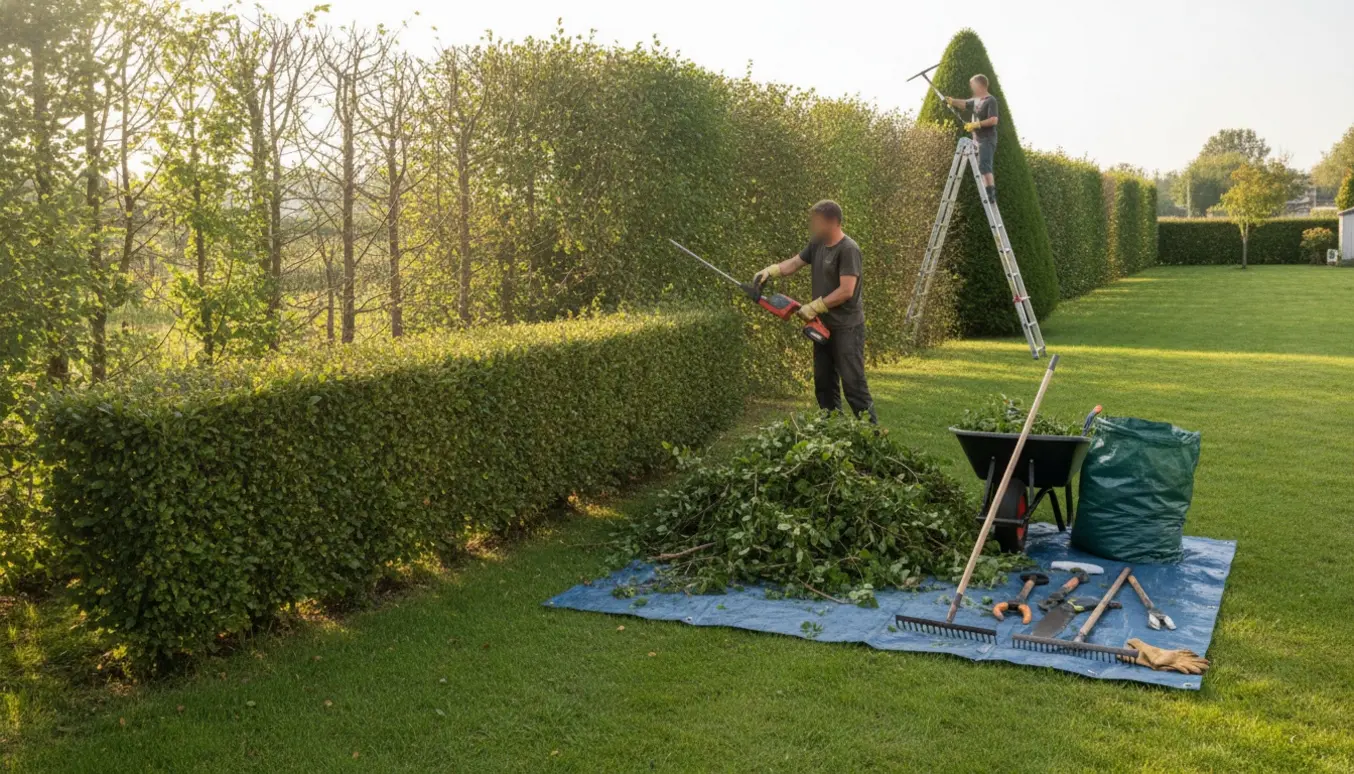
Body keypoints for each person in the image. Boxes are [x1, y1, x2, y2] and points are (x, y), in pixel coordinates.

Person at [753, 200, 876, 423]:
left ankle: (872, 435)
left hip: (847, 327)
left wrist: (814, 306)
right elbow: (794, 263)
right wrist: (770, 271)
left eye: (817, 221)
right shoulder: (817, 244)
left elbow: (846, 291)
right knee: (824, 384)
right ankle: (832, 431)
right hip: (823, 326)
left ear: (832, 222)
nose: (813, 225)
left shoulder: (848, 249)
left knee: (853, 385)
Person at [942, 74, 1000, 203]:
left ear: (980, 85)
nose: (971, 86)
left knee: (984, 165)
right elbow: (964, 103)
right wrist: (952, 101)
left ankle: (991, 195)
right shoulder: (976, 100)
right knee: (980, 166)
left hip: (986, 139)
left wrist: (977, 124)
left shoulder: (990, 100)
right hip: (976, 139)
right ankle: (987, 192)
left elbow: (994, 120)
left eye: (972, 84)